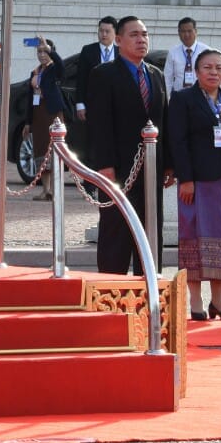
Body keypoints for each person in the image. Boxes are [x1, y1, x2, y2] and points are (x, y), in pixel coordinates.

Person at [168, 47, 221, 320]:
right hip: (197, 182)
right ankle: (196, 301)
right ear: (196, 71)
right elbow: (178, 142)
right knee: (194, 238)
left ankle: (219, 301)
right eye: (208, 67)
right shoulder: (183, 99)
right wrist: (187, 179)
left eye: (219, 67)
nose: (214, 72)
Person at [84, 16, 172, 275]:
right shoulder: (104, 74)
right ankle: (112, 292)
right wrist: (105, 165)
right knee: (116, 232)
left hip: (151, 169)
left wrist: (168, 163)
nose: (141, 40)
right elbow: (99, 124)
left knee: (149, 230)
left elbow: (163, 121)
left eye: (144, 34)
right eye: (134, 35)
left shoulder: (155, 75)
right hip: (118, 170)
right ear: (119, 40)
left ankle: (149, 290)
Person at [27, 39, 67, 201]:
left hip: (52, 114)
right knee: (40, 152)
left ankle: (56, 191)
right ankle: (46, 190)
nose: (42, 55)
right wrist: (28, 122)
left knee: (54, 151)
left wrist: (51, 50)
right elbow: (30, 98)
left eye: (45, 51)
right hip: (38, 115)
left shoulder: (54, 69)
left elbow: (62, 68)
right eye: (39, 52)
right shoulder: (35, 72)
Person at [73, 16, 119, 120]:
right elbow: (81, 78)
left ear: (115, 33)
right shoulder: (88, 50)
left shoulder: (121, 52)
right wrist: (80, 104)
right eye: (101, 31)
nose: (104, 34)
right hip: (94, 102)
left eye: (107, 31)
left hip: (117, 102)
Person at [164, 17, 205, 94]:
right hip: (179, 96)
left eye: (189, 31)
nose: (186, 34)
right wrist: (168, 100)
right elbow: (167, 79)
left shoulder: (206, 51)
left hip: (200, 95)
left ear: (196, 31)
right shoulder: (173, 52)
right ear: (178, 33)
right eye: (183, 31)